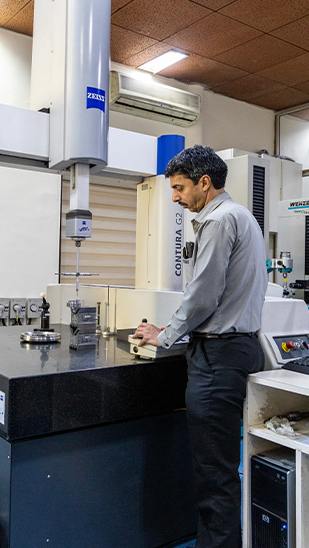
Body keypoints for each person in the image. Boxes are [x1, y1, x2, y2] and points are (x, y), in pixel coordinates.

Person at [133, 145, 267, 548]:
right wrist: (172, 327)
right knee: (220, 470)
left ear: (204, 183)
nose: (175, 197)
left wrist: (165, 335)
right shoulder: (242, 216)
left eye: (180, 188)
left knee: (214, 476)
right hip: (239, 348)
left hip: (218, 358)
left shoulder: (217, 221)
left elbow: (203, 297)